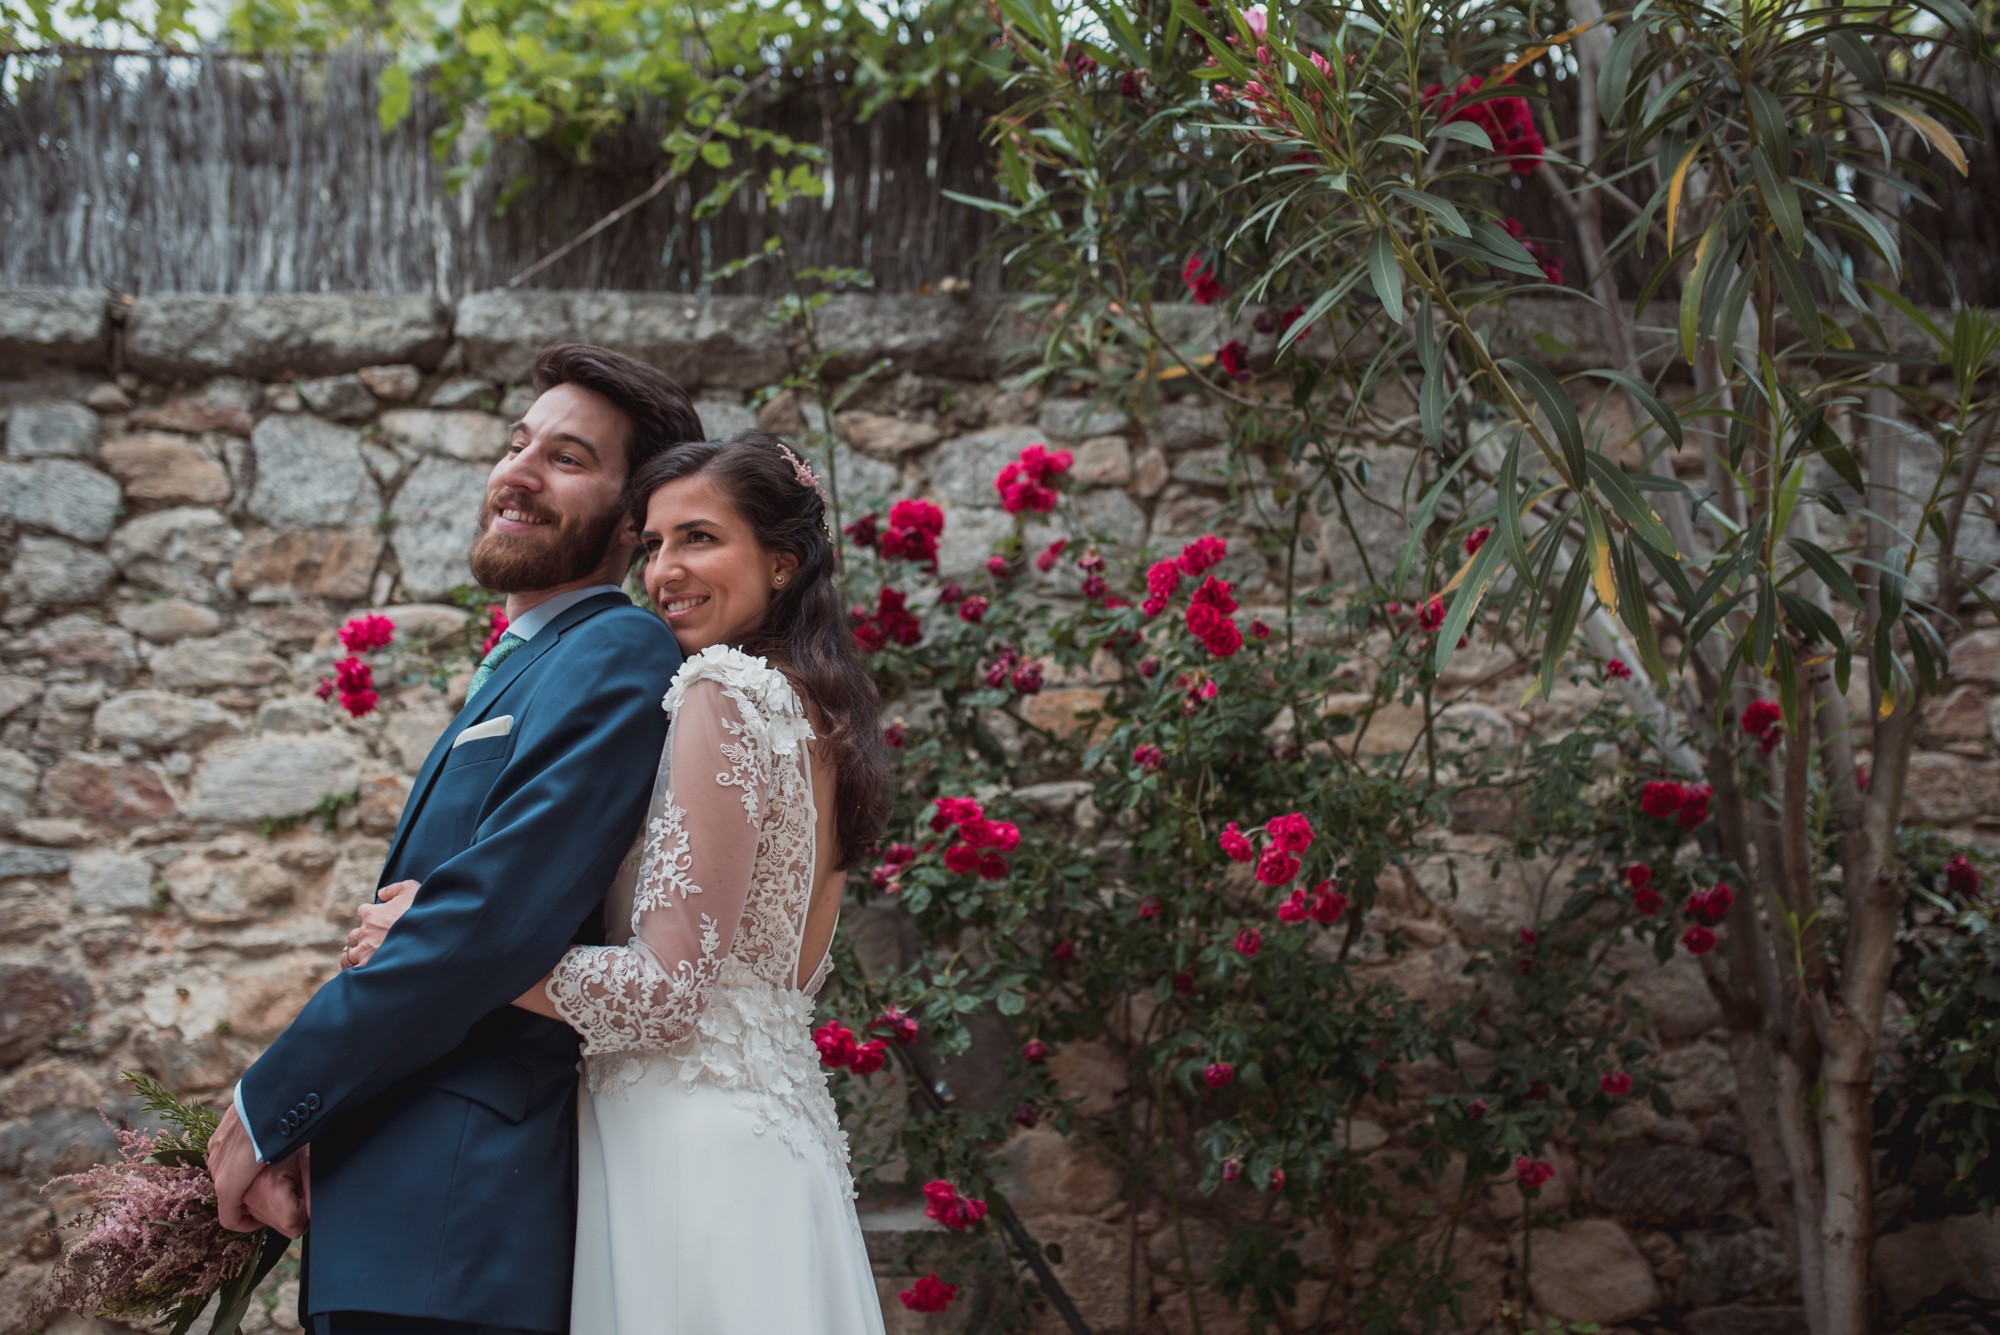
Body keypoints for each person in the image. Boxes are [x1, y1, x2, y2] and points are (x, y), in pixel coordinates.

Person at [205, 344, 706, 1335]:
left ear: (628, 521)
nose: (515, 471)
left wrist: (270, 1107)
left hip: (457, 1218)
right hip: (394, 1197)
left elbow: (489, 917)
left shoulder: (614, 648)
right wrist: (324, 1118)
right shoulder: (529, 662)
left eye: (566, 458)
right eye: (516, 443)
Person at [347, 429, 894, 1334]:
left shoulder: (718, 691)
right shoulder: (819, 717)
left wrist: (443, 940)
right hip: (777, 1150)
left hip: (683, 1159)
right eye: (651, 545)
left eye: (700, 538)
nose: (665, 571)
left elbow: (665, 991)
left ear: (784, 562)